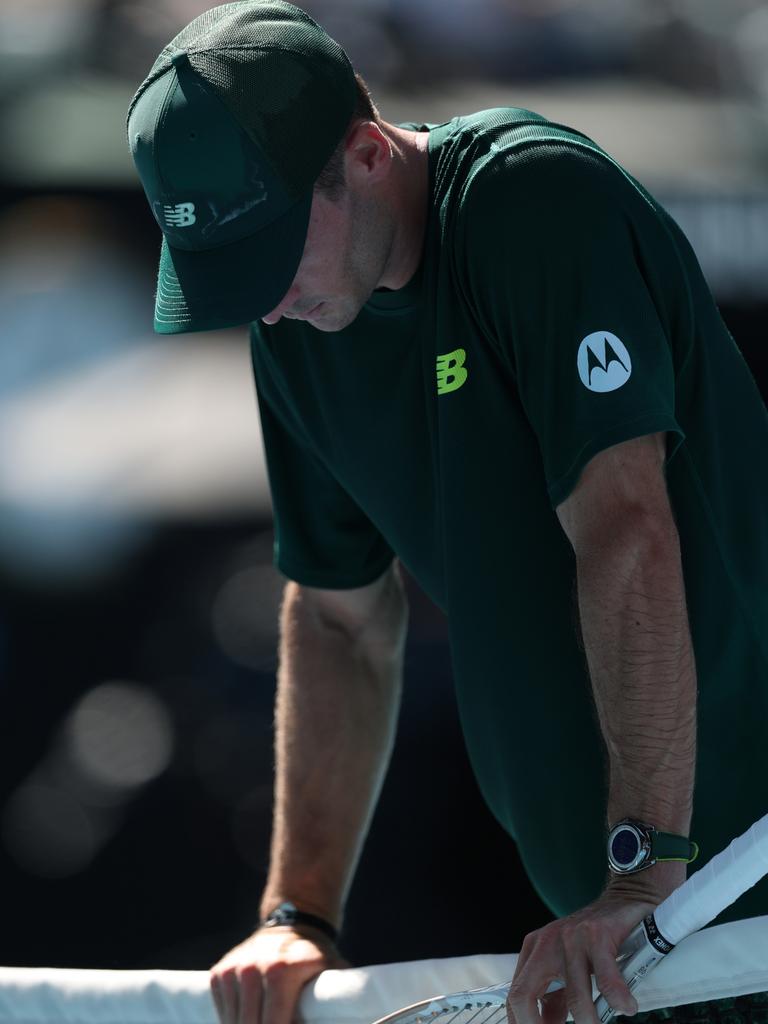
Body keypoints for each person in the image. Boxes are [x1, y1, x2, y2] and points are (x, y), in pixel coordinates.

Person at [126, 3, 768, 1024]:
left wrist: (645, 869)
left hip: (719, 882)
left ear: (368, 153)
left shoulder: (534, 199)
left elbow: (627, 529)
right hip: (628, 924)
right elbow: (338, 613)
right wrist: (301, 912)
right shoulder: (295, 315)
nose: (265, 297)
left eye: (274, 247)